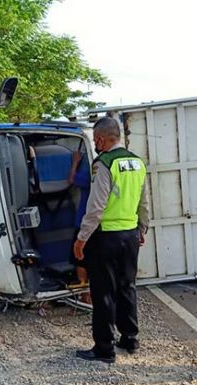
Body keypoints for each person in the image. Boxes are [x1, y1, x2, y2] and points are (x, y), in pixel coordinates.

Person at [73, 117, 149, 363]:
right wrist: (142, 228)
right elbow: (143, 201)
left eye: (96, 140)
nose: (95, 144)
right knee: (127, 286)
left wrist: (82, 238)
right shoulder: (137, 163)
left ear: (102, 139)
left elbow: (96, 207)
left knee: (103, 291)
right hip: (130, 235)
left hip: (105, 235)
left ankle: (104, 348)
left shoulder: (103, 163)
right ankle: (130, 338)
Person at [68, 144, 92, 304]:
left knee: (80, 256)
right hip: (99, 225)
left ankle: (85, 295)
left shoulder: (88, 174)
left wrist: (75, 161)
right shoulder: (103, 172)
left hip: (83, 221)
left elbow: (71, 179)